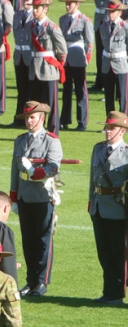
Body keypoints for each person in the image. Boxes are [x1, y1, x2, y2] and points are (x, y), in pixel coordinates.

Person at [11, 101, 63, 297]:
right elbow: (15, 171)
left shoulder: (51, 141)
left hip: (42, 196)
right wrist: (13, 197)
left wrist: (34, 171)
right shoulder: (20, 140)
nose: (29, 121)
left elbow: (53, 168)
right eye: (27, 117)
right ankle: (31, 280)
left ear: (42, 118)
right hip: (24, 195)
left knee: (43, 241)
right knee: (28, 241)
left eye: (32, 117)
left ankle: (41, 281)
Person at [88, 111, 128, 305]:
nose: (108, 131)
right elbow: (92, 179)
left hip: (117, 209)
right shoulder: (98, 149)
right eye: (107, 127)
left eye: (112, 128)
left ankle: (117, 293)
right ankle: (108, 291)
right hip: (99, 207)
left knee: (118, 253)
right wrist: (91, 203)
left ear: (122, 131)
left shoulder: (126, 153)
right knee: (103, 252)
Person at [26, 0, 67, 135]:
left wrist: (57, 64)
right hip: (34, 69)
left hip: (48, 69)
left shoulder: (51, 27)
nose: (34, 10)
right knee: (35, 104)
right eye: (34, 7)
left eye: (37, 8)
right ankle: (37, 131)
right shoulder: (30, 26)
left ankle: (53, 132)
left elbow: (62, 50)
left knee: (51, 103)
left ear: (45, 9)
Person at [59, 0, 93, 131]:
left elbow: (89, 42)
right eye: (66, 4)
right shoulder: (62, 19)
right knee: (66, 90)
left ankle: (82, 121)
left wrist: (87, 58)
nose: (68, 6)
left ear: (77, 4)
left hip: (78, 57)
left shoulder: (84, 20)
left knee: (80, 91)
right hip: (66, 58)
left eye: (70, 4)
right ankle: (65, 119)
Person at [100, 0, 128, 115]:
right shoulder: (103, 26)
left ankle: (124, 120)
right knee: (109, 95)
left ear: (120, 12)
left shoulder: (125, 27)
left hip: (121, 64)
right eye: (109, 11)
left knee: (123, 96)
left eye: (113, 11)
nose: (110, 14)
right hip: (107, 64)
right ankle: (110, 120)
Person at [11, 0, 33, 126]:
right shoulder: (17, 15)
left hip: (30, 56)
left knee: (31, 89)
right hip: (19, 55)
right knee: (21, 89)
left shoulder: (35, 15)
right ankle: (19, 118)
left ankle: (29, 118)